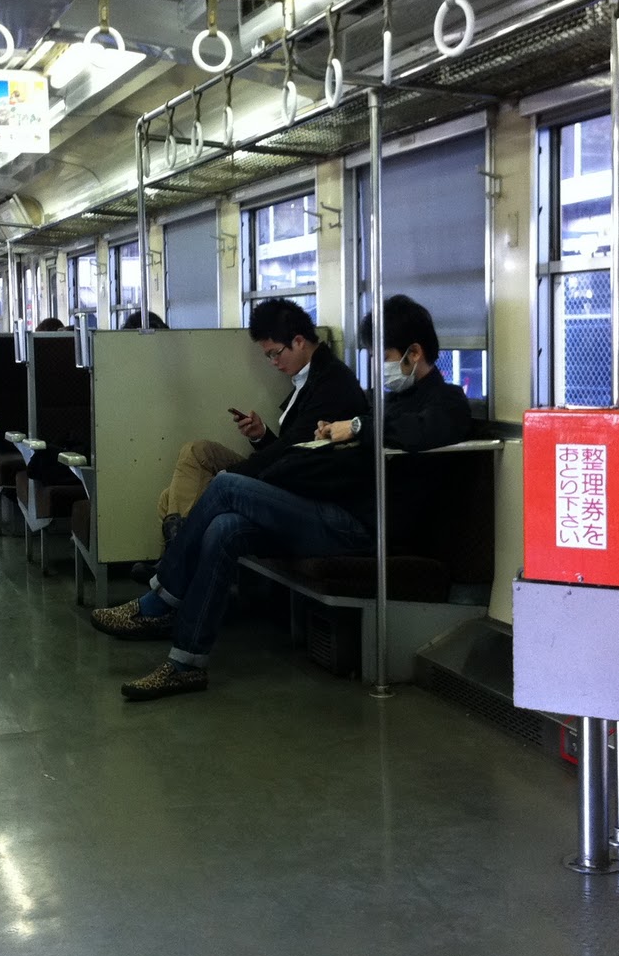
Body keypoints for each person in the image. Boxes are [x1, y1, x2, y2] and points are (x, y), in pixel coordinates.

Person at [94, 295, 473, 701]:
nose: (379, 367)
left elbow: (422, 431)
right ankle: (185, 662)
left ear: (414, 353)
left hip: (362, 529)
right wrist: (334, 435)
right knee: (225, 528)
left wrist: (355, 427)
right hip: (336, 509)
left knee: (226, 485)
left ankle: (160, 599)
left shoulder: (448, 401)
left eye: (384, 356)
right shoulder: (390, 402)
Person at [155, 298, 366, 545]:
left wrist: (228, 476)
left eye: (275, 354)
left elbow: (293, 451)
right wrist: (261, 435)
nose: (274, 363)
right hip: (289, 469)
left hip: (306, 489)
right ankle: (178, 546)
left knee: (173, 498)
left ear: (299, 341)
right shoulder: (307, 378)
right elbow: (293, 446)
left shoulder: (331, 383)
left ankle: (174, 555)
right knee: (196, 453)